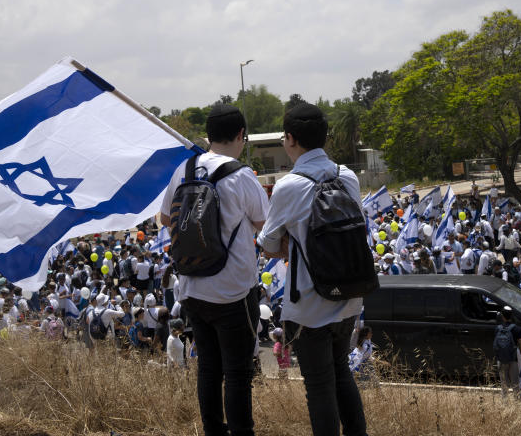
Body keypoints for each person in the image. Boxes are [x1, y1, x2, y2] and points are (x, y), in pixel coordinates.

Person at [158, 104, 269, 436]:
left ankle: (212, 431)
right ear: (240, 136)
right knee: (237, 373)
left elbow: (165, 218)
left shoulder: (185, 169)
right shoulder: (240, 175)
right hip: (233, 290)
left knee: (208, 369)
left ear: (207, 136)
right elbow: (266, 223)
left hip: (192, 287)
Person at [258, 103, 368, 436]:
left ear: (290, 139)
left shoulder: (289, 186)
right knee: (341, 373)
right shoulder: (346, 176)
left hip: (309, 303)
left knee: (319, 386)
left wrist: (288, 242)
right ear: (325, 137)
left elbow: (267, 244)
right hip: (349, 296)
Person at [494, 307, 521, 399]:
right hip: (513, 359)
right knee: (515, 383)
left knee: (504, 384)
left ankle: (505, 403)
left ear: (502, 316)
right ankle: (517, 402)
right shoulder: (517, 329)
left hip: (501, 359)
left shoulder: (498, 328)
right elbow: (520, 345)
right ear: (511, 316)